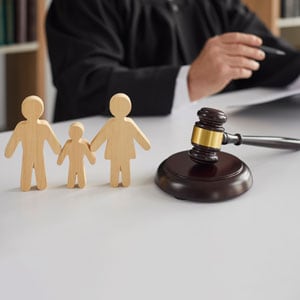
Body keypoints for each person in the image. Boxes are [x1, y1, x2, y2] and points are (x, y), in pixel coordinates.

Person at [46, 0, 300, 122]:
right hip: (105, 163)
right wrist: (189, 82)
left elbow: (263, 53)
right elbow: (87, 84)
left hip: (207, 157)